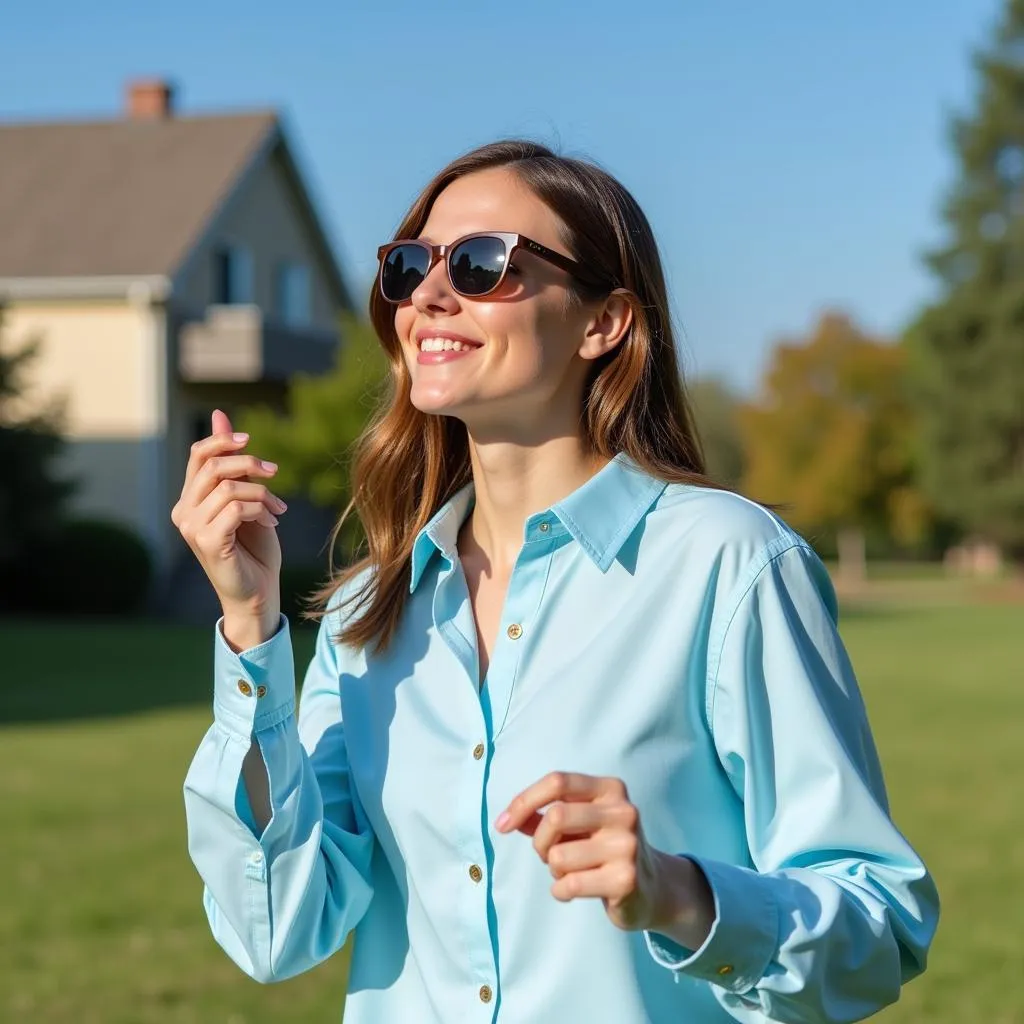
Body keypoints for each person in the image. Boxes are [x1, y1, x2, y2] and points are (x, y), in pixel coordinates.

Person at [175, 140, 938, 1023]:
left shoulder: (727, 564)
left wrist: (682, 897)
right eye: (411, 265)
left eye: (480, 263)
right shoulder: (367, 610)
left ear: (603, 322)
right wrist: (249, 624)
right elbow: (278, 929)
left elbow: (881, 922)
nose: (427, 295)